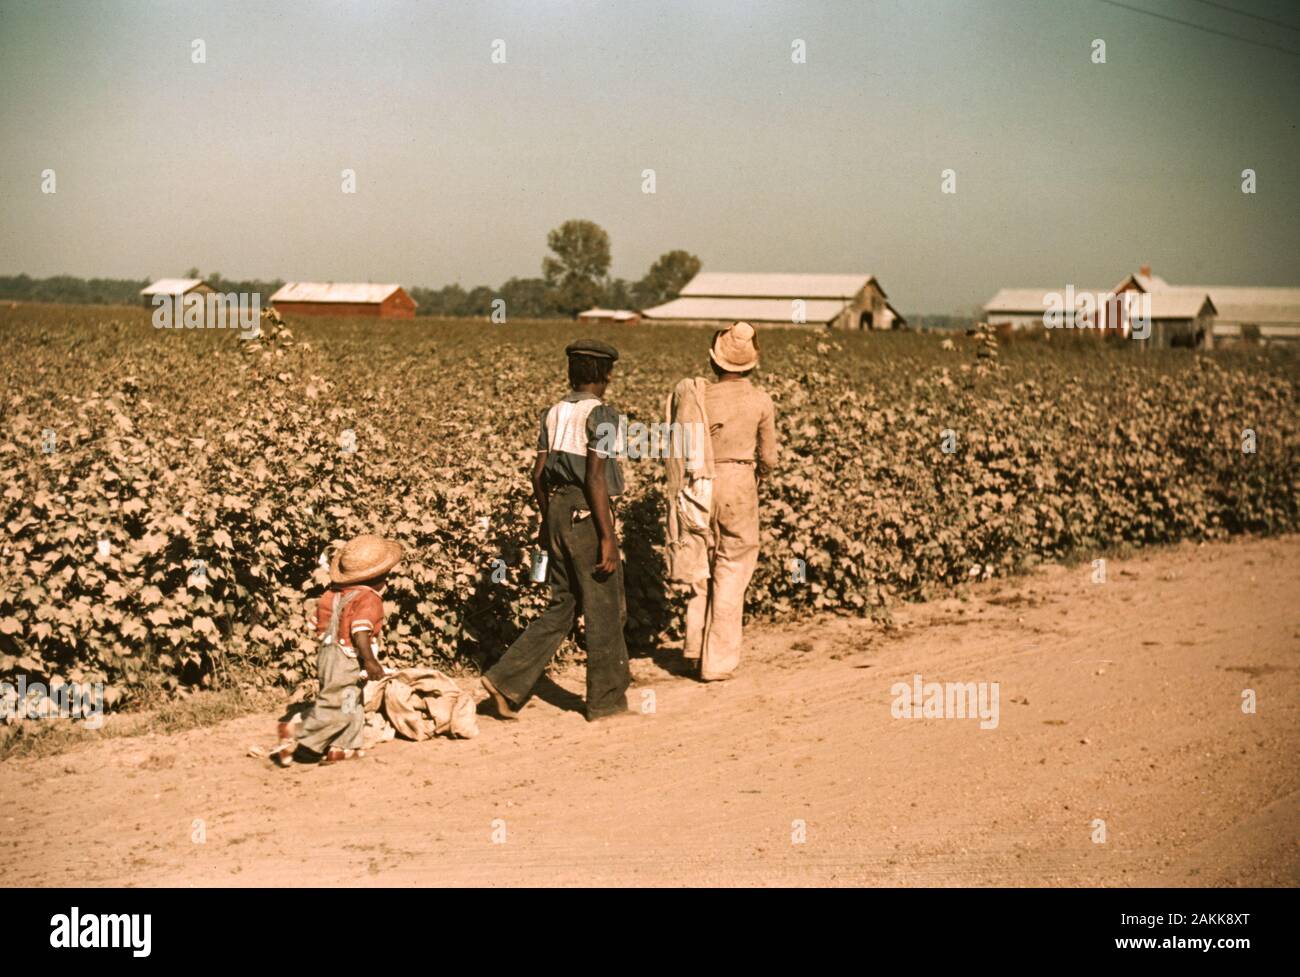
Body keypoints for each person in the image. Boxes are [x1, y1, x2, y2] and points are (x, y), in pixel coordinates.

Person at [479, 339, 632, 722]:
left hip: (559, 511)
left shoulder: (554, 413)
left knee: (562, 606)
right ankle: (607, 703)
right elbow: (595, 479)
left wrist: (549, 523)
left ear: (572, 373)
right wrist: (607, 537)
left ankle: (506, 680)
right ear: (607, 374)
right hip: (586, 511)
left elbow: (537, 476)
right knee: (605, 606)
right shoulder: (604, 416)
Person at [674, 322, 777, 681]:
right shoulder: (760, 400)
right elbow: (770, 457)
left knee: (700, 565)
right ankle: (716, 662)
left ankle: (691, 648)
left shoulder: (700, 395)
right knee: (733, 567)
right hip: (738, 483)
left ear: (714, 362)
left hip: (700, 482)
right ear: (751, 363)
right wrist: (757, 475)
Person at [272, 534, 402, 765]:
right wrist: (370, 661)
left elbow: (315, 623)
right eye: (386, 575)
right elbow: (360, 631)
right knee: (337, 705)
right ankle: (297, 731)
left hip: (327, 653)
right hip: (349, 656)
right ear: (376, 577)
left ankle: (342, 747)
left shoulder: (330, 594)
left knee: (351, 699)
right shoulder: (369, 599)